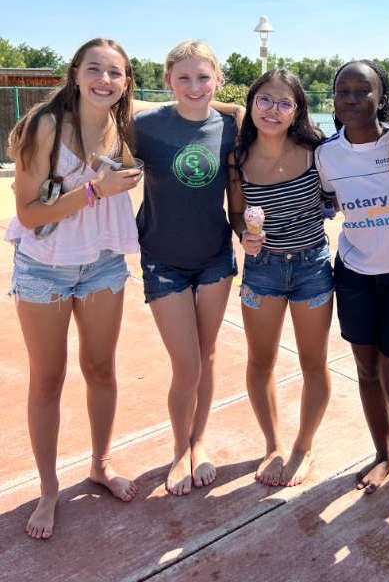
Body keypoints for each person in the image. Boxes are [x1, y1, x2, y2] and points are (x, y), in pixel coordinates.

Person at [7, 37, 143, 540]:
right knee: (48, 379)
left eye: (115, 73)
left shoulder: (124, 124)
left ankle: (100, 466)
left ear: (126, 81)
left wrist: (226, 98)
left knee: (101, 368)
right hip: (44, 267)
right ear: (76, 73)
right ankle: (47, 489)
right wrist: (93, 190)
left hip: (103, 263)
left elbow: (196, 101)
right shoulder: (44, 127)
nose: (104, 80)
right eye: (95, 69)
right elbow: (28, 214)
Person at [315, 60, 389, 500]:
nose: (351, 99)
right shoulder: (326, 154)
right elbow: (329, 201)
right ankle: (384, 453)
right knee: (367, 371)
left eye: (361, 91)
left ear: (381, 97)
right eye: (342, 91)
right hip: (356, 276)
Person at [133, 40, 240, 496]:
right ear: (167, 82)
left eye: (203, 77)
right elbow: (105, 117)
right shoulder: (145, 126)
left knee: (208, 354)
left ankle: (199, 441)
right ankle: (179, 450)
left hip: (214, 257)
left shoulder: (232, 127)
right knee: (186, 363)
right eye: (184, 78)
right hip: (163, 260)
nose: (194, 86)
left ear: (216, 79)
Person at [228, 69, 334, 487]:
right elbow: (237, 213)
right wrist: (243, 236)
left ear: (297, 110)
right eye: (265, 100)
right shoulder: (238, 157)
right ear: (252, 104)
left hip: (312, 267)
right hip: (264, 270)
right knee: (260, 361)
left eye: (284, 103)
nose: (273, 110)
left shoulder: (316, 151)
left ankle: (303, 447)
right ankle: (272, 444)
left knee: (314, 363)